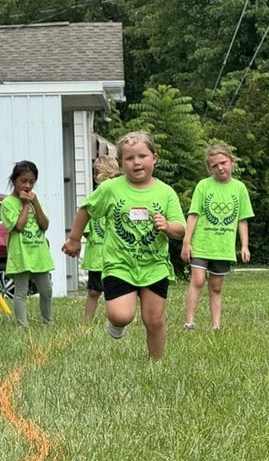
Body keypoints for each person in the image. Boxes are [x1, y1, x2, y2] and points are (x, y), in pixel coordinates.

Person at [63, 131, 185, 360]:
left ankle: (156, 363)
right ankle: (116, 324)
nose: (136, 162)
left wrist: (168, 226)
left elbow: (181, 228)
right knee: (121, 315)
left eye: (142, 156)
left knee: (154, 319)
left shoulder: (165, 192)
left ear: (154, 158)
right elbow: (86, 209)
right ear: (120, 163)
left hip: (154, 265)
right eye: (129, 158)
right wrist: (74, 239)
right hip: (119, 264)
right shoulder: (110, 189)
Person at [181, 143, 253, 331]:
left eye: (223, 163)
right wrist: (186, 242)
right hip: (201, 244)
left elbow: (242, 220)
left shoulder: (240, 188)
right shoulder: (203, 186)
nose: (220, 168)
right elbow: (193, 215)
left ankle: (216, 326)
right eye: (215, 165)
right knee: (197, 281)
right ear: (209, 168)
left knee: (216, 287)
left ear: (232, 162)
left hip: (223, 247)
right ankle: (189, 323)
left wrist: (244, 245)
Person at [0, 160, 54, 326]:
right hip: (21, 254)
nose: (28, 186)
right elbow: (19, 226)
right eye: (23, 181)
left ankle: (48, 322)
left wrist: (35, 203)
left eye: (31, 182)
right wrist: (25, 205)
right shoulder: (8, 203)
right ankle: (22, 326)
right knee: (22, 291)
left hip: (39, 253)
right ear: (14, 181)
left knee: (46, 290)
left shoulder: (35, 200)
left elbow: (44, 225)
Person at [81, 155, 120, 319]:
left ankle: (115, 318)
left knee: (116, 291)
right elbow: (85, 227)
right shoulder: (94, 198)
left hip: (115, 254)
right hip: (97, 256)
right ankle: (87, 320)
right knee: (94, 291)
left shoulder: (118, 197)